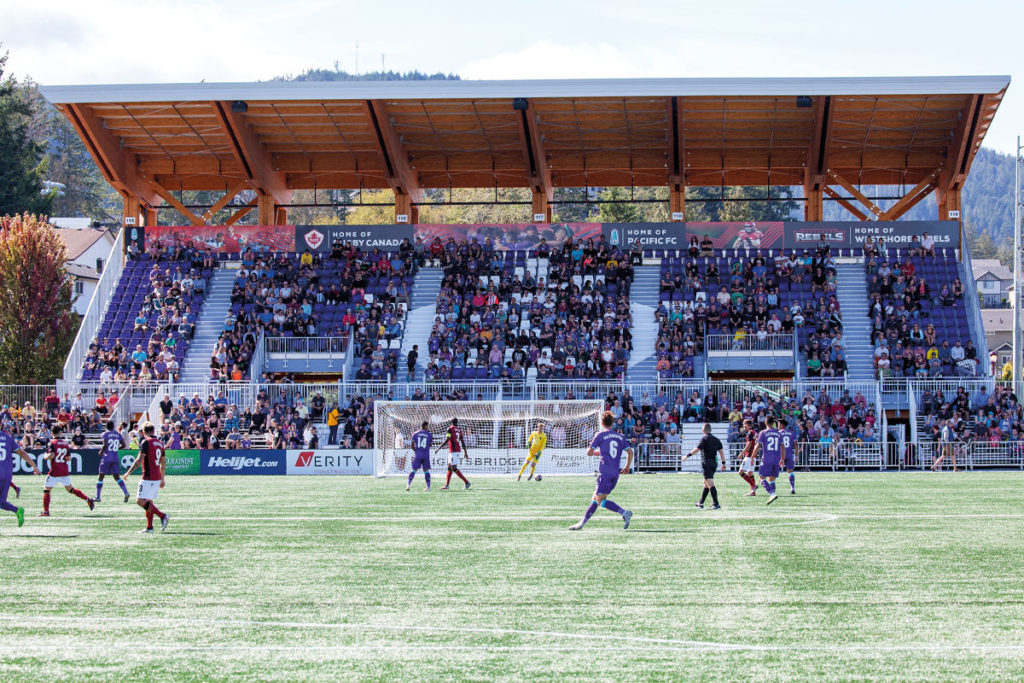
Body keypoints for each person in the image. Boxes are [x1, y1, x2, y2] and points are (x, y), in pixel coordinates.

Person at [569, 411, 634, 531]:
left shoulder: (600, 435)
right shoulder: (620, 436)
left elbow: (589, 453)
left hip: (605, 472)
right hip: (615, 473)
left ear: (602, 422)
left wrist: (595, 452)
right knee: (595, 498)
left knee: (600, 500)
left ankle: (625, 513)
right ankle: (581, 524)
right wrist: (627, 467)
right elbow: (630, 452)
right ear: (613, 423)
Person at [40, 425, 95, 517]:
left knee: (46, 490)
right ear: (60, 433)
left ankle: (46, 512)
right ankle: (88, 499)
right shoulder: (65, 443)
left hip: (55, 471)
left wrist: (46, 456)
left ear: (52, 433)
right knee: (70, 489)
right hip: (64, 470)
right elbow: (69, 458)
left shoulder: (51, 443)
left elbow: (52, 455)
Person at [123, 423, 169, 533]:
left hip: (148, 476)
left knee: (139, 500)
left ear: (144, 432)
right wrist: (162, 478)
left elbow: (139, 460)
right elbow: (163, 462)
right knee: (149, 502)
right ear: (154, 431)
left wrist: (128, 472)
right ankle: (149, 527)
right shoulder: (161, 444)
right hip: (156, 476)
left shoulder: (146, 442)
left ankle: (162, 516)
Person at [0, 426, 40, 528]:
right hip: (7, 474)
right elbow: (22, 453)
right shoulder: (8, 438)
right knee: (2, 502)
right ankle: (17, 510)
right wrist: (34, 466)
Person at [682, 423, 724, 510]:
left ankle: (716, 504)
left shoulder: (704, 438)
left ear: (703, 430)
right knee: (706, 483)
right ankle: (701, 503)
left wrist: (687, 455)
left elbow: (697, 449)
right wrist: (723, 463)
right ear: (710, 430)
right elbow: (721, 452)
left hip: (707, 462)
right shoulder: (716, 439)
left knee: (710, 483)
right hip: (714, 463)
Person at [751, 416, 782, 505]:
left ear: (766, 422)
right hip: (776, 458)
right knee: (772, 478)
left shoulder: (763, 432)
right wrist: (782, 459)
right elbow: (782, 446)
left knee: (761, 478)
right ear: (773, 423)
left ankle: (772, 494)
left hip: (767, 458)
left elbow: (758, 445)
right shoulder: (778, 433)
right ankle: (772, 496)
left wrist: (753, 456)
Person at [96, 421, 129, 503]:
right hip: (115, 457)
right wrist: (116, 449)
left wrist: (101, 452)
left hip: (107, 457)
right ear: (113, 426)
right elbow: (124, 445)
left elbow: (105, 444)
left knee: (101, 477)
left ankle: (98, 497)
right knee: (117, 477)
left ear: (106, 426)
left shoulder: (105, 434)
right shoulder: (118, 434)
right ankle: (126, 492)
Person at [435, 417, 471, 490]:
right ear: (457, 423)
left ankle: (467, 482)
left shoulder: (450, 429)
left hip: (454, 451)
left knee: (454, 468)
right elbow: (463, 443)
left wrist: (439, 447)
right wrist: (465, 453)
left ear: (451, 422)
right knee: (449, 467)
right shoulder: (459, 431)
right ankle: (447, 485)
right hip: (455, 450)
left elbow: (447, 439)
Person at [407, 421, 433, 492]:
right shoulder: (429, 435)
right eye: (428, 426)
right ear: (425, 426)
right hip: (425, 455)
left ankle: (408, 485)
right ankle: (428, 487)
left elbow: (412, 445)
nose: (428, 428)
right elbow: (430, 444)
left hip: (418, 455)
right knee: (426, 471)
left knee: (413, 470)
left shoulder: (415, 434)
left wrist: (416, 451)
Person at [737, 419, 758, 496]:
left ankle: (753, 485)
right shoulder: (754, 432)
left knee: (741, 472)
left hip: (749, 456)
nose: (743, 427)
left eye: (744, 425)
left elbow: (749, 445)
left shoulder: (750, 433)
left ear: (746, 425)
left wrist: (741, 453)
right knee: (750, 473)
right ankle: (753, 492)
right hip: (754, 455)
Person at [778, 417, 797, 495]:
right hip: (789, 454)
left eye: (778, 424)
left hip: (780, 455)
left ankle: (771, 489)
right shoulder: (791, 433)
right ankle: (792, 487)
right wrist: (797, 455)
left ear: (782, 425)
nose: (778, 426)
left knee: (773, 471)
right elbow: (795, 444)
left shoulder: (778, 433)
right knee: (790, 471)